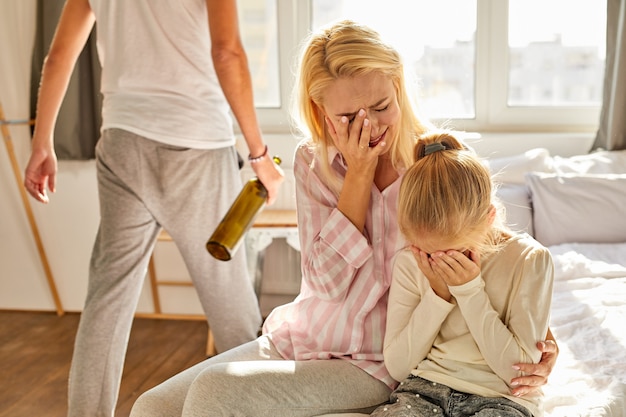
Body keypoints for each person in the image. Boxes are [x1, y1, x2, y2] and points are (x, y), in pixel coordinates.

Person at [129, 20, 558, 417]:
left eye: (380, 105)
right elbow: (325, 284)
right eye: (348, 118)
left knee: (215, 392)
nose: (368, 126)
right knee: (151, 407)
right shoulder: (311, 164)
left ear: (398, 87)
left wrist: (542, 336)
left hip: (377, 361)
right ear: (320, 113)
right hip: (304, 336)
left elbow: (490, 247)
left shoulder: (438, 160)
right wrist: (358, 174)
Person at [23, 0, 284, 416]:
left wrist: (42, 143)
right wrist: (260, 156)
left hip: (122, 142)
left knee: (106, 301)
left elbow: (58, 57)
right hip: (196, 145)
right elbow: (227, 53)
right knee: (230, 304)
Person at [370, 131, 553, 417]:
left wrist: (468, 290)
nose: (439, 262)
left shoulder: (529, 260)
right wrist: (437, 295)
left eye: (454, 252)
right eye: (429, 252)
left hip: (501, 399)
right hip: (423, 390)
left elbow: (516, 372)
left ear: (488, 218)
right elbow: (399, 366)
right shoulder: (411, 260)